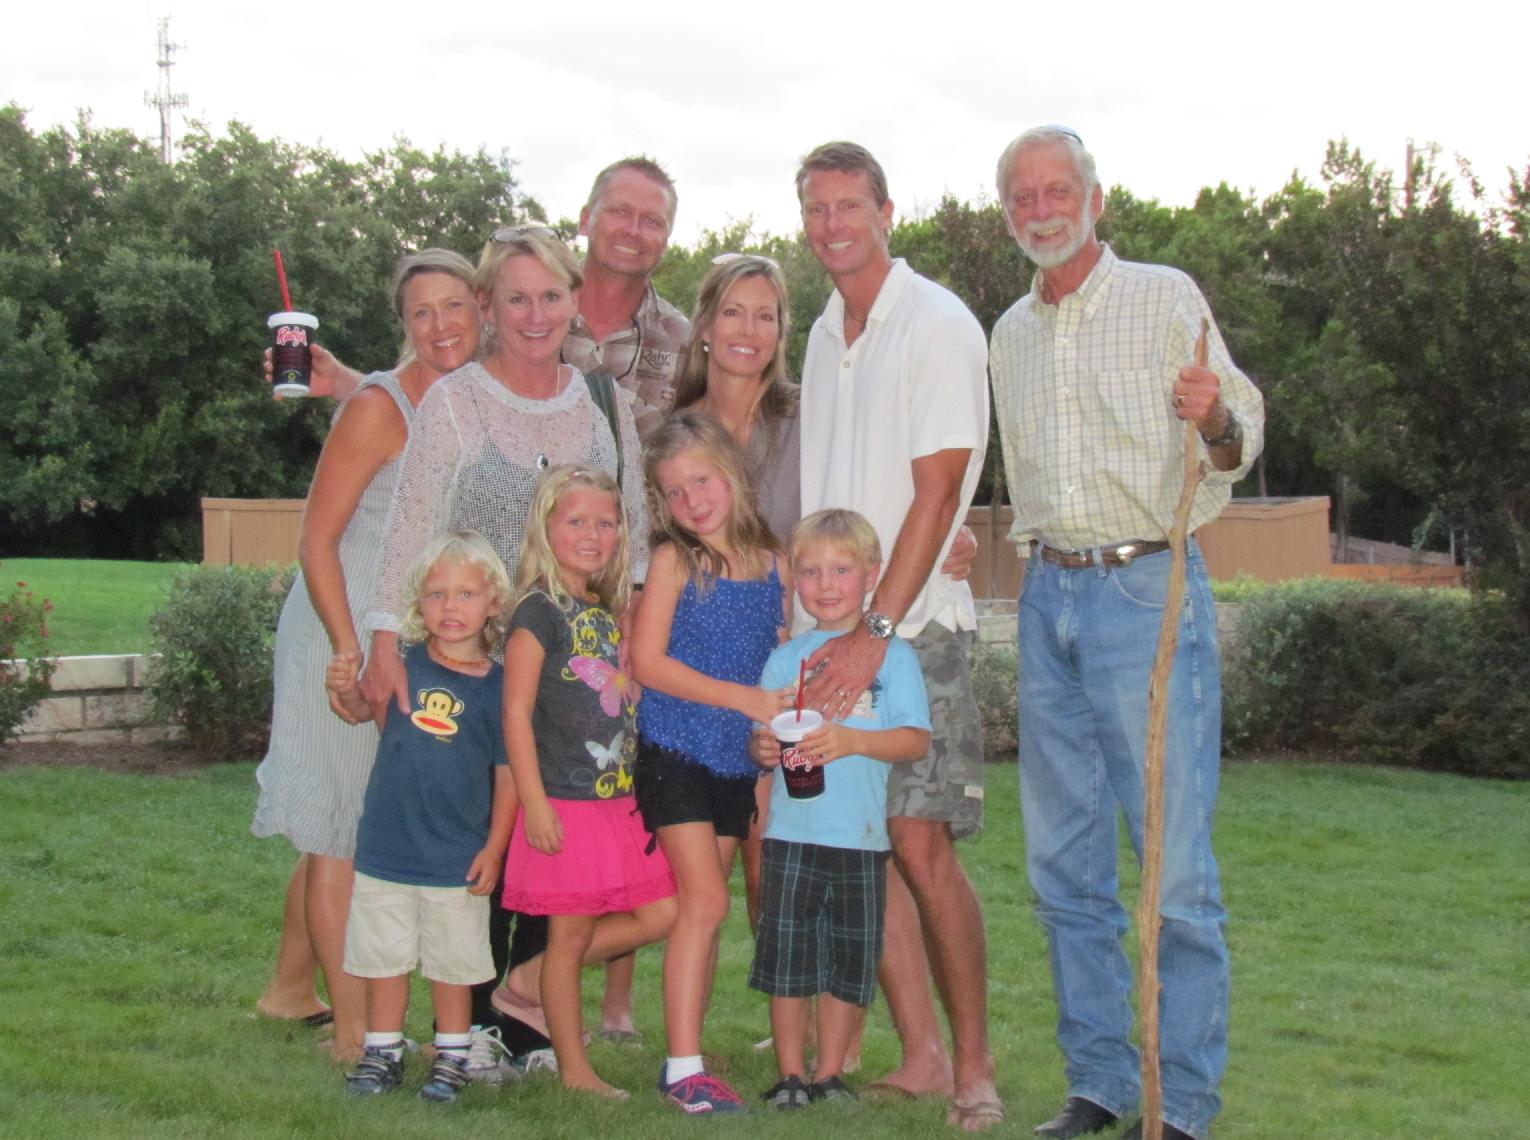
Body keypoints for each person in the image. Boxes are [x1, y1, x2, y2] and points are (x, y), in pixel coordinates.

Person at [988, 126, 1265, 1140]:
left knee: (1173, 870)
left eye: (1058, 190)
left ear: (1095, 200)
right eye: (1023, 196)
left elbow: (1235, 440)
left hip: (1147, 591)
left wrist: (1214, 419)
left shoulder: (1164, 297)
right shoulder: (1008, 334)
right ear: (1008, 213)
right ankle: (1100, 1082)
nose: (1041, 210)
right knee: (1064, 866)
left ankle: (1180, 1105)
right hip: (1046, 596)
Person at [357, 224, 649, 1068]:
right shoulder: (455, 402)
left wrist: (629, 646)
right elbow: (411, 528)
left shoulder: (601, 405)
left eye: (550, 295)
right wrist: (384, 643)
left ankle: (528, 1021)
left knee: (560, 840)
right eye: (516, 297)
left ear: (573, 301)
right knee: (483, 835)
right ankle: (476, 1023)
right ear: (488, 306)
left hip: (574, 671)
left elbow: (631, 531)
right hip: (474, 664)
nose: (534, 314)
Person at [792, 140, 1002, 1130]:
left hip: (914, 634)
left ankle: (975, 1069)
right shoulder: (823, 331)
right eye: (816, 208)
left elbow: (936, 492)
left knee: (921, 846)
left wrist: (877, 630)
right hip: (835, 634)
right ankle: (920, 1056)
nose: (833, 224)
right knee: (864, 848)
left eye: (850, 205)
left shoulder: (937, 323)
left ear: (887, 213)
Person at [251, 249, 480, 1062]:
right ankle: (355, 1039)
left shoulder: (470, 403)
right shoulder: (380, 408)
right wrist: (347, 652)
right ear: (404, 324)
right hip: (337, 624)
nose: (440, 325)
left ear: (481, 310)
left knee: (346, 817)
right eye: (422, 312)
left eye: (454, 306)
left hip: (403, 636)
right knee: (339, 831)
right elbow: (315, 539)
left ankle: (288, 989)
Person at [629, 412, 794, 1114]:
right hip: (673, 749)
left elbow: (781, 655)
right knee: (705, 902)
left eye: (702, 481)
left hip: (737, 764)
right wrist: (741, 697)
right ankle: (683, 1070)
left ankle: (684, 1055)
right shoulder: (675, 562)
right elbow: (646, 661)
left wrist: (773, 727)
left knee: (705, 909)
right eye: (674, 492)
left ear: (732, 472)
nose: (692, 500)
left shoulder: (776, 564)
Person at [500, 465, 678, 1098]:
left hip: (616, 801)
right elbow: (515, 713)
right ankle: (575, 1071)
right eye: (576, 521)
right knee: (570, 934)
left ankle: (529, 980)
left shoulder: (601, 610)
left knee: (662, 912)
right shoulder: (537, 611)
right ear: (545, 528)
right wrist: (534, 803)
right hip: (564, 801)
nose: (593, 534)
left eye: (606, 523)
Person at [326, 531, 517, 1104]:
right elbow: (362, 710)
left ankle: (451, 1056)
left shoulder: (500, 688)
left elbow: (509, 775)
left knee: (452, 965)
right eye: (436, 594)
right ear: (417, 602)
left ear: (493, 602)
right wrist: (346, 687)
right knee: (383, 958)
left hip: (456, 856)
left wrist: (495, 848)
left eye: (465, 594)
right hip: (387, 847)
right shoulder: (401, 663)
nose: (450, 607)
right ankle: (382, 1051)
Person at [750, 509, 932, 1110]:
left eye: (841, 570)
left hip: (861, 840)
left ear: (872, 575)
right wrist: (763, 749)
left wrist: (852, 740)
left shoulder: (893, 658)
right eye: (810, 572)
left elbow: (915, 740)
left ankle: (829, 1074)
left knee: (849, 964)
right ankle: (790, 1075)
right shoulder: (786, 660)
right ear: (795, 580)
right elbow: (763, 738)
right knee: (789, 962)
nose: (825, 585)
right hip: (791, 835)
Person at [564, 156, 692, 441]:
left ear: (666, 239)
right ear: (585, 220)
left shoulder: (685, 346)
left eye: (652, 221)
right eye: (619, 211)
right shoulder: (525, 317)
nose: (633, 231)